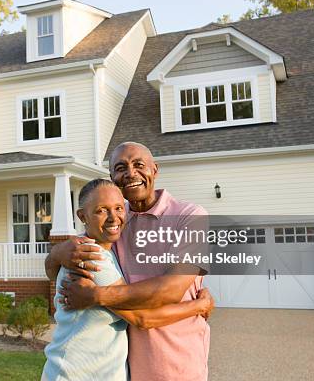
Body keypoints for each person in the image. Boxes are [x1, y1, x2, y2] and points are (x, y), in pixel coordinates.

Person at [46, 142, 212, 381]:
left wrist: (96, 296)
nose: (131, 173)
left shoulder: (190, 217)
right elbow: (59, 266)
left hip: (177, 362)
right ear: (113, 177)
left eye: (139, 164)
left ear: (155, 169)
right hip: (128, 366)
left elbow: (171, 290)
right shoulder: (114, 218)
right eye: (121, 167)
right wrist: (57, 252)